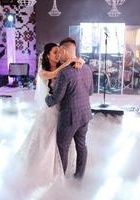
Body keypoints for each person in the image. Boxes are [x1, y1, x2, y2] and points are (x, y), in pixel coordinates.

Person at [17, 42, 84, 185]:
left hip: (65, 109)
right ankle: (46, 170)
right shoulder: (43, 71)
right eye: (55, 52)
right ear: (47, 55)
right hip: (50, 109)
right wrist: (70, 62)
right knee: (47, 140)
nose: (58, 55)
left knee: (64, 142)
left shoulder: (63, 65)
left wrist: (80, 61)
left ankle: (63, 169)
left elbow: (76, 64)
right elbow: (54, 74)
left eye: (59, 52)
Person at [45, 37, 94, 179]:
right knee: (81, 145)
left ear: (65, 51)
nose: (59, 55)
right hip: (85, 114)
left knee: (62, 147)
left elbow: (56, 98)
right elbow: (90, 92)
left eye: (60, 52)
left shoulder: (64, 72)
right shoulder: (87, 68)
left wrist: (46, 99)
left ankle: (61, 179)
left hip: (70, 117)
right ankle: (79, 177)